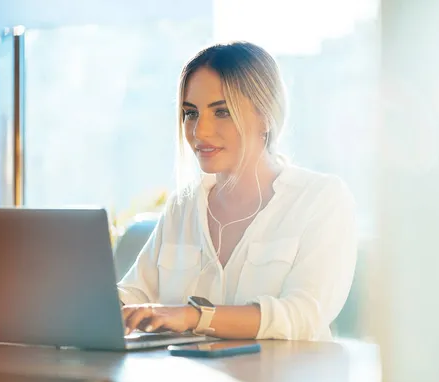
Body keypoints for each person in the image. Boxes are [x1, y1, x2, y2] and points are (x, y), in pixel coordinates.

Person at [118, 41, 357, 341]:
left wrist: (194, 316)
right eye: (191, 113)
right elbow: (136, 292)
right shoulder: (184, 206)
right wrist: (101, 304)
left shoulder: (321, 199)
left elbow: (304, 314)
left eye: (222, 112)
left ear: (266, 116)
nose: (199, 132)